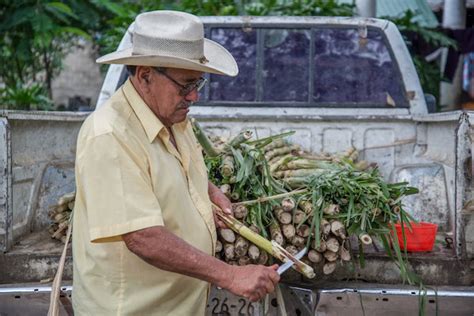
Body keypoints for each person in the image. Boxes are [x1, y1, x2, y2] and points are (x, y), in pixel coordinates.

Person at [71, 10, 280, 315]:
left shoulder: (173, 119)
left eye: (199, 83)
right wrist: (230, 274)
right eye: (185, 85)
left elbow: (173, 166)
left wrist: (208, 192)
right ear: (145, 75)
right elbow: (144, 238)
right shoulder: (110, 134)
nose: (194, 96)